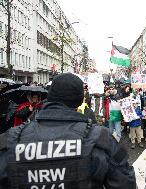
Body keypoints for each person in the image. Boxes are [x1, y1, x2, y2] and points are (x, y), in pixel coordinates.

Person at [0, 73, 136, 188]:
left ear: (49, 96)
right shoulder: (101, 139)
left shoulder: (11, 139)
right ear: (80, 99)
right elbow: (126, 182)